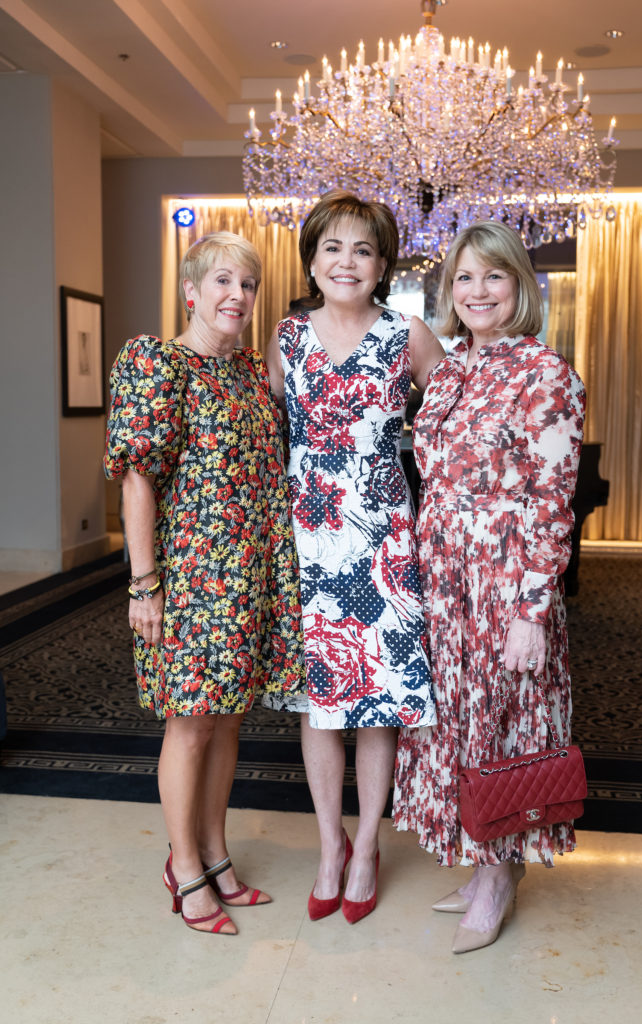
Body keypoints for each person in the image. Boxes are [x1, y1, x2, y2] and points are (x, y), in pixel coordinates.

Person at [393, 220, 586, 953]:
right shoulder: (447, 371)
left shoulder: (546, 374)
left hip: (506, 582)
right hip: (445, 583)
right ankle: (481, 861)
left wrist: (533, 608)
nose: (477, 292)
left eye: (493, 276)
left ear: (520, 287)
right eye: (463, 279)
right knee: (457, 725)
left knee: (504, 724)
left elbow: (550, 497)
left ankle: (502, 875)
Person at [104, 231, 304, 935]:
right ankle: (184, 865)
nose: (236, 297)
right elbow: (137, 479)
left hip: (247, 577)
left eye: (247, 285)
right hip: (189, 576)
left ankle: (217, 854)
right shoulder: (159, 362)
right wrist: (143, 584)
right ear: (191, 290)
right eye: (222, 281)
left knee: (227, 722)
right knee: (189, 724)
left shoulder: (251, 371)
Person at [265, 190, 444, 923]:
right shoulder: (286, 336)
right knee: (320, 705)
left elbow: (453, 425)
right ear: (311, 259)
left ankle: (367, 844)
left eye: (362, 250)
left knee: (377, 708)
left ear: (382, 266)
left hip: (382, 540)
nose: (346, 261)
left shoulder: (408, 334)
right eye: (332, 247)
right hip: (308, 539)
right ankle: (328, 845)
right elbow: (267, 427)